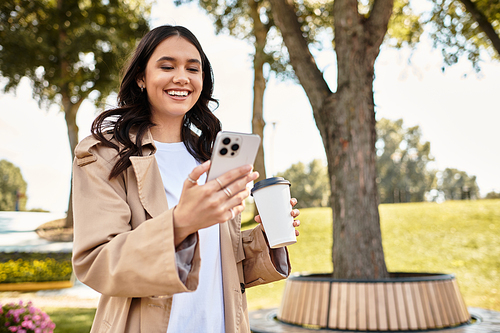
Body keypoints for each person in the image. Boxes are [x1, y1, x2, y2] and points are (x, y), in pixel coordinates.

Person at [72, 25, 300, 333]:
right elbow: (97, 262)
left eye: (193, 69)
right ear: (141, 77)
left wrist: (266, 237)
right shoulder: (105, 153)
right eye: (167, 66)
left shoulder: (210, 156)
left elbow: (217, 263)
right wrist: (180, 222)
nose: (182, 77)